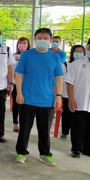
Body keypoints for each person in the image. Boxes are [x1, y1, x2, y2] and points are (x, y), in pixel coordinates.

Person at [14, 28, 63, 166]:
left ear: (50, 40)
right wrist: (19, 93)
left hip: (47, 99)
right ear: (35, 39)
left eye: (45, 38)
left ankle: (45, 154)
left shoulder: (54, 57)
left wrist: (58, 96)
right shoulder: (27, 55)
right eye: (39, 38)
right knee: (24, 128)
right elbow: (19, 74)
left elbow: (59, 77)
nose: (42, 40)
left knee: (44, 129)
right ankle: (21, 152)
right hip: (27, 98)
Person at [65, 38, 90, 159]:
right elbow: (69, 83)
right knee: (78, 126)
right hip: (80, 101)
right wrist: (71, 100)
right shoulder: (77, 64)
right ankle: (76, 149)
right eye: (89, 48)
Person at [60, 45, 85, 141]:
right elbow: (61, 79)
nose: (79, 53)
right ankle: (65, 132)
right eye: (76, 51)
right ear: (72, 53)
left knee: (78, 115)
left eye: (81, 52)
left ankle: (78, 133)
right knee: (67, 113)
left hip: (81, 94)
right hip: (67, 94)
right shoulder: (66, 65)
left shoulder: (86, 65)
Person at [11, 37, 31, 132]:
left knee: (26, 105)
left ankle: (25, 123)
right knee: (16, 104)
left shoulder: (31, 56)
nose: (22, 45)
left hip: (27, 85)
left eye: (24, 43)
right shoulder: (14, 56)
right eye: (20, 43)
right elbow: (10, 68)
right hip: (16, 84)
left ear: (28, 45)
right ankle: (15, 122)